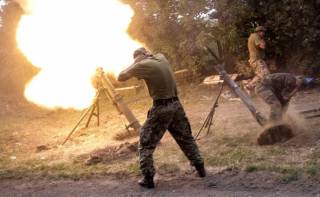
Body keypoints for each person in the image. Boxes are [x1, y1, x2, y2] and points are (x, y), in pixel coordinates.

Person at [118, 47, 205, 189]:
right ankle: (200, 168)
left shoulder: (142, 64)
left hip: (161, 108)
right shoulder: (161, 57)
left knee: (145, 143)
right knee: (185, 138)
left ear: (139, 57)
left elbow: (120, 77)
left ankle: (148, 178)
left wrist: (135, 63)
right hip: (176, 105)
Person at [246, 26, 270, 90]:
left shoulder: (252, 36)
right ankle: (250, 86)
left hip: (256, 60)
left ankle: (250, 86)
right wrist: (262, 40)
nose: (264, 34)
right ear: (259, 32)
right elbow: (262, 46)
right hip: (257, 60)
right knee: (265, 74)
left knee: (262, 75)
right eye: (263, 32)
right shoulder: (256, 36)